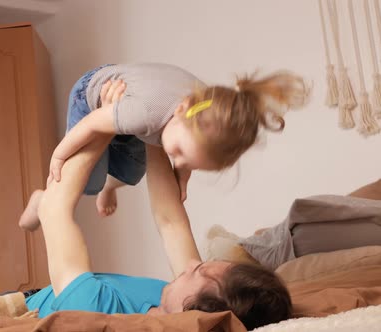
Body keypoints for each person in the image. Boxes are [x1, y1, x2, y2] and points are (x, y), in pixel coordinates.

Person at [24, 130, 292, 331]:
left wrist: (105, 123)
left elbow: (56, 210)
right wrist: (151, 130)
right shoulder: (173, 301)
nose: (189, 265)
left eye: (197, 271)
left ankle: (36, 204)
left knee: (47, 205)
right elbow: (170, 220)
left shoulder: (95, 315)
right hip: (51, 287)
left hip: (30, 300)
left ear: (197, 311)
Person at [19, 63, 309, 223]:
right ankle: (40, 200)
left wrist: (182, 182)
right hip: (92, 94)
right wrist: (59, 155)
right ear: (182, 110)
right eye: (180, 153)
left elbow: (189, 155)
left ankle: (110, 186)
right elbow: (92, 124)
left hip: (131, 114)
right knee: (87, 181)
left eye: (188, 163)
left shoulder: (201, 114)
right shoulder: (144, 114)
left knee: (132, 173)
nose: (177, 160)